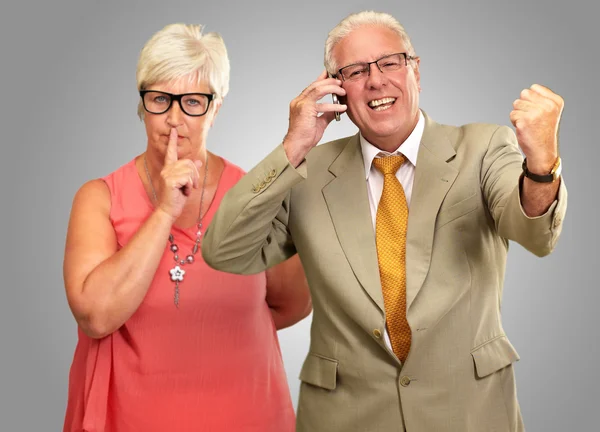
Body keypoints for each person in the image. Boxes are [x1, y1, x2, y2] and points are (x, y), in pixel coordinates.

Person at [202, 10, 567, 432]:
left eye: (390, 62)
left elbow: (536, 233)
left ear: (415, 70)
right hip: (345, 417)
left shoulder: (483, 147)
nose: (376, 80)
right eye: (355, 71)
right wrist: (292, 146)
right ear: (335, 89)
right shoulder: (307, 172)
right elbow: (224, 249)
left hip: (468, 413)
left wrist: (541, 164)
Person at [62, 23, 310, 432]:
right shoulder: (99, 197)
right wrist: (163, 211)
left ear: (216, 108)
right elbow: (96, 315)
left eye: (193, 101)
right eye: (160, 99)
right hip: (130, 419)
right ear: (142, 105)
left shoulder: (255, 195)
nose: (174, 119)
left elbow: (294, 303)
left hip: (246, 416)